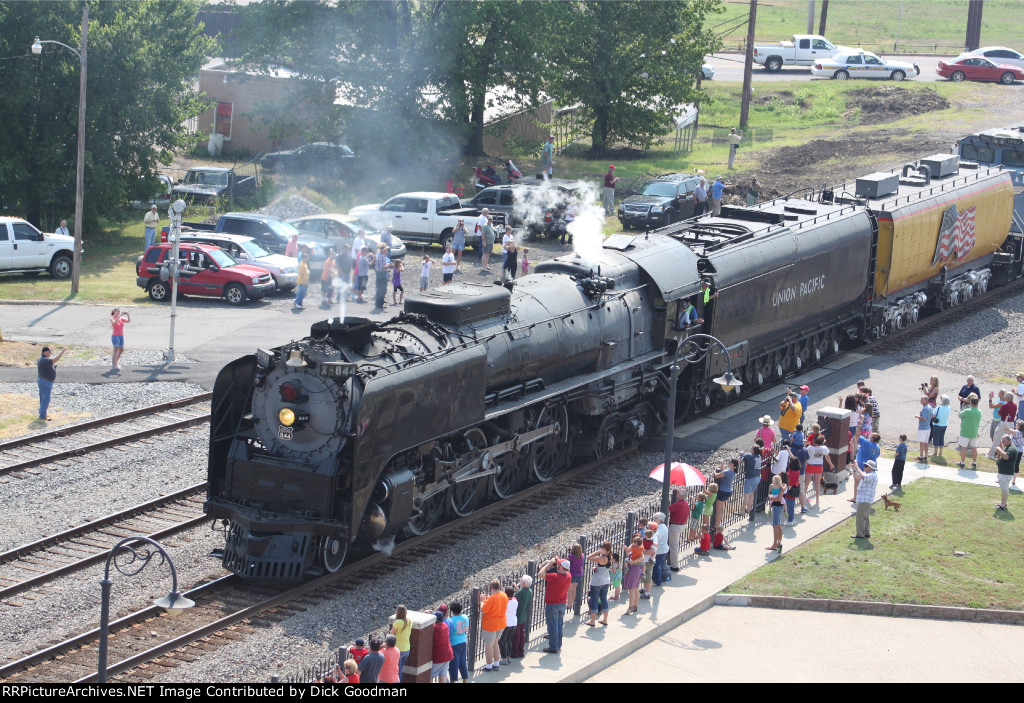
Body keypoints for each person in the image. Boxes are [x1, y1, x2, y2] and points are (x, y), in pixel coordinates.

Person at [539, 556, 571, 653]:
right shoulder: (568, 575)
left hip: (552, 604)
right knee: (559, 625)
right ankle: (558, 645)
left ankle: (553, 647)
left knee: (553, 626)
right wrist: (557, 561)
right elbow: (562, 568)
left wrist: (548, 565)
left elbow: (540, 574)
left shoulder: (555, 577)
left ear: (561, 567)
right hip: (562, 603)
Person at [479, 580, 507, 671]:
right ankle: (496, 663)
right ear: (500, 586)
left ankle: (488, 666)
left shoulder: (491, 598)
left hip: (491, 624)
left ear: (491, 588)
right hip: (501, 623)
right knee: (495, 643)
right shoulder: (504, 595)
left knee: (489, 644)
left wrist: (483, 601)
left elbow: (483, 610)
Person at [585, 541, 612, 627]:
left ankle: (593, 621)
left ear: (605, 549)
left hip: (597, 582)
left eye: (601, 547)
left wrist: (598, 552)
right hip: (606, 581)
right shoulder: (610, 557)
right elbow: (604, 567)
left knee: (594, 600)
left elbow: (588, 557)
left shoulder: (600, 558)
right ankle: (605, 619)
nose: (600, 548)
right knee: (604, 600)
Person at [850, 459, 879, 539]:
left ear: (871, 468)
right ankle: (866, 533)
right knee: (865, 516)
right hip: (863, 499)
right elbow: (857, 478)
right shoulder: (867, 474)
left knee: (860, 517)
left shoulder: (872, 475)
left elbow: (863, 477)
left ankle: (860, 534)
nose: (864, 467)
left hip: (865, 500)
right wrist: (854, 470)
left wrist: (857, 467)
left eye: (866, 466)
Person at [37, 346, 66, 421]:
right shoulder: (45, 359)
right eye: (49, 351)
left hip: (43, 380)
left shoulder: (41, 359)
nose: (50, 353)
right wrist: (62, 352)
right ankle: (42, 416)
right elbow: (55, 360)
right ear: (44, 352)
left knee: (43, 398)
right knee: (45, 399)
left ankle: (42, 413)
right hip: (46, 381)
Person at [804, 434, 833, 508]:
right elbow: (827, 457)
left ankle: (803, 497)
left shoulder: (810, 448)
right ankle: (817, 499)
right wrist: (831, 465)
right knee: (817, 483)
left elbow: (806, 455)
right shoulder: (824, 448)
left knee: (807, 482)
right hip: (819, 466)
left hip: (810, 465)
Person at [712, 463, 737, 549]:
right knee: (721, 508)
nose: (729, 463)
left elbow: (716, 475)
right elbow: (724, 473)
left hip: (723, 491)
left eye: (730, 462)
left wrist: (715, 469)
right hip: (728, 491)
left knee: (718, 508)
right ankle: (718, 523)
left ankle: (716, 524)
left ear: (732, 464)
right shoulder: (732, 472)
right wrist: (722, 468)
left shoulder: (727, 472)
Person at [445, 601, 470, 683]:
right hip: (463, 641)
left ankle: (453, 681)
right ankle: (465, 680)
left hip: (454, 644)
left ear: (452, 610)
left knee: (454, 665)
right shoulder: (466, 617)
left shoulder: (451, 620)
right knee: (463, 663)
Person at [958, 394, 983, 469]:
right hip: (974, 432)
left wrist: (963, 407)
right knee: (974, 448)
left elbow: (960, 415)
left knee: (964, 447)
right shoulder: (979, 412)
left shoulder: (967, 411)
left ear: (971, 403)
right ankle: (974, 462)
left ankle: (962, 462)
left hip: (965, 431)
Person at [990, 390, 1017, 459]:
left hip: (1003, 422)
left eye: (1006, 397)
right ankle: (1007, 454)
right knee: (1009, 439)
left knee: (997, 438)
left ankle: (991, 454)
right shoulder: (1015, 405)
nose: (1005, 398)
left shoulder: (1005, 405)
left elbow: (999, 413)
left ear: (1008, 398)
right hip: (1011, 423)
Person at [668, 489, 690, 570]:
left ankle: (674, 565)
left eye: (678, 493)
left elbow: (669, 508)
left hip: (675, 526)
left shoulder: (678, 504)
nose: (676, 494)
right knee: (674, 544)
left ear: (681, 495)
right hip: (682, 525)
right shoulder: (686, 503)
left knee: (673, 546)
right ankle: (671, 561)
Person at [511, 576, 532, 658]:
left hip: (517, 615)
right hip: (523, 615)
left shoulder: (521, 592)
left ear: (523, 583)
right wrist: (517, 588)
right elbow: (520, 593)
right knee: (521, 634)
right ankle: (521, 651)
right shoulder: (529, 591)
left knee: (516, 636)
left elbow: (514, 597)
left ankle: (514, 652)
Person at [623, 537, 644, 615]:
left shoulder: (637, 549)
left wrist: (633, 561)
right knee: (636, 589)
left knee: (631, 590)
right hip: (637, 570)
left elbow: (641, 558)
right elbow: (629, 555)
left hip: (634, 570)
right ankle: (635, 606)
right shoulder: (639, 549)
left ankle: (630, 607)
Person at [431, 611, 453, 683]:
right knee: (443, 674)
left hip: (439, 657)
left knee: (430, 675)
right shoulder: (445, 625)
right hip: (448, 654)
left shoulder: (435, 628)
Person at [390, 605, 412, 676]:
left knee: (398, 671)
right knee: (400, 669)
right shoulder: (409, 621)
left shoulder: (398, 622)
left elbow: (391, 634)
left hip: (399, 650)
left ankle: (399, 681)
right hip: (407, 649)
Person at [741, 445, 763, 519]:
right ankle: (749, 508)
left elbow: (742, 457)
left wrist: (742, 453)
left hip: (750, 478)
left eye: (751, 448)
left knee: (746, 495)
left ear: (753, 450)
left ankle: (742, 510)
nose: (750, 449)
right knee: (751, 494)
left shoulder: (749, 456)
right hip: (758, 477)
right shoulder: (759, 456)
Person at [498, 587, 517, 665]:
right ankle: (508, 656)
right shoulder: (515, 600)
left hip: (506, 624)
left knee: (502, 641)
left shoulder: (505, 601)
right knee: (509, 640)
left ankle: (504, 658)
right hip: (513, 623)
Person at [766, 474, 784, 551]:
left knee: (775, 525)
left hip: (776, 507)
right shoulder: (781, 487)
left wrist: (771, 498)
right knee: (779, 525)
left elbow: (770, 494)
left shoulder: (771, 486)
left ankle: (774, 544)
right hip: (781, 506)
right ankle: (779, 542)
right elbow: (780, 496)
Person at [651, 513, 672, 582]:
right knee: (656, 565)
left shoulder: (662, 528)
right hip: (660, 550)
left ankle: (657, 581)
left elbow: (657, 537)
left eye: (655, 518)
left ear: (660, 520)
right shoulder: (660, 526)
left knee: (656, 566)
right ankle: (656, 579)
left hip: (661, 550)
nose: (654, 519)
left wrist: (650, 535)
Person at [914, 395, 935, 462]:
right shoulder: (930, 406)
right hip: (928, 427)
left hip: (923, 427)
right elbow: (932, 415)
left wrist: (918, 416)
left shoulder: (925, 408)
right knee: (926, 442)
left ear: (926, 400)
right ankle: (926, 456)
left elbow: (924, 418)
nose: (920, 401)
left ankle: (921, 456)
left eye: (922, 400)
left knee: (922, 442)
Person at [373, 242, 392, 310]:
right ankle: (379, 304)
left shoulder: (380, 255)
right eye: (386, 249)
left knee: (380, 289)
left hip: (380, 273)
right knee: (382, 289)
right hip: (381, 274)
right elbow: (382, 267)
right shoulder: (381, 256)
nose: (387, 251)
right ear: (384, 250)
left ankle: (379, 304)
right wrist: (389, 265)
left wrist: (387, 267)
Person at [566, 543, 585, 613]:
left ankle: (569, 604)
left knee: (569, 590)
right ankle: (572, 602)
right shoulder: (582, 555)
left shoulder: (571, 556)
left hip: (573, 574)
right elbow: (577, 552)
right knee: (574, 589)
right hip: (580, 574)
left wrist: (569, 550)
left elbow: (567, 558)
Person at [293, 245, 310, 309]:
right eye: (305, 258)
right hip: (302, 281)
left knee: (302, 292)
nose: (306, 259)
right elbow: (301, 273)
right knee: (301, 293)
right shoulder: (302, 264)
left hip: (304, 280)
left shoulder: (304, 264)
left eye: (307, 258)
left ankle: (297, 302)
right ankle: (298, 303)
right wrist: (304, 281)